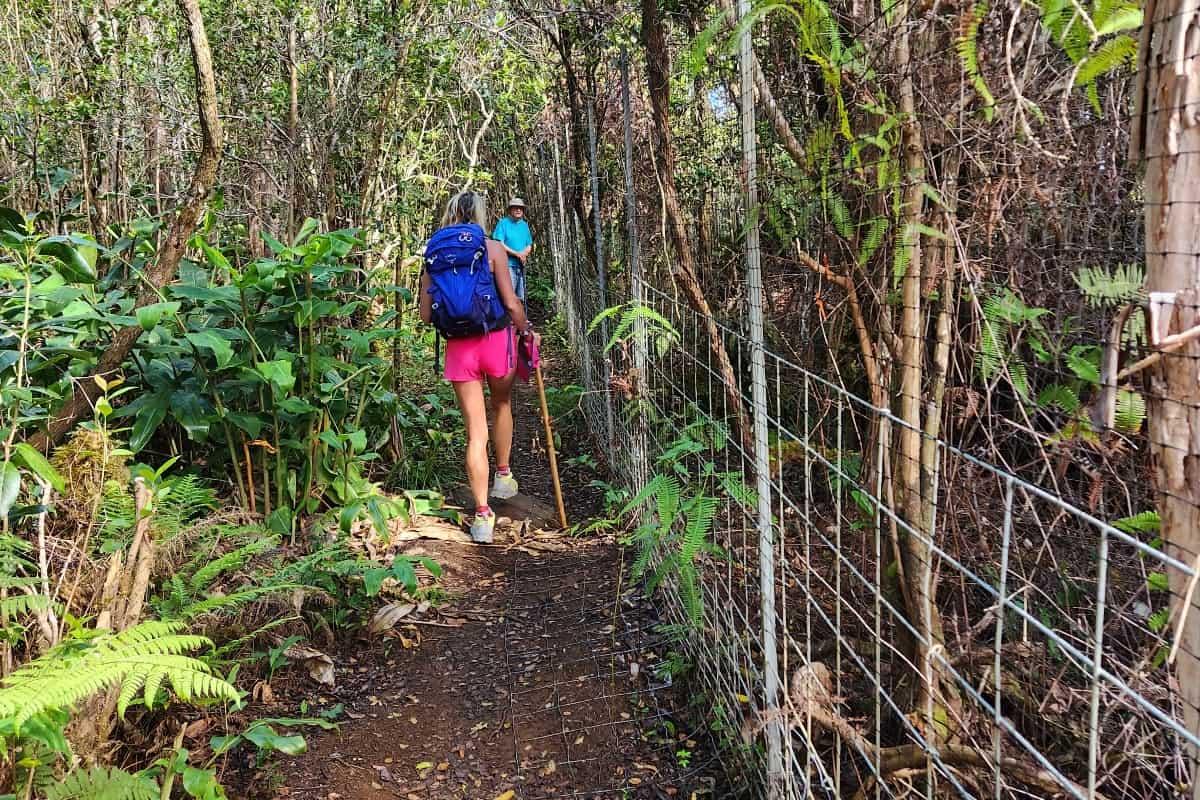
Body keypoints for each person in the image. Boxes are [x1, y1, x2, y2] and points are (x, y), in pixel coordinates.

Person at [419, 191, 537, 544]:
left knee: (475, 432)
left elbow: (426, 315)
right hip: (496, 342)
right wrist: (527, 331)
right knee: (501, 404)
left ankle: (483, 517)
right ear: (480, 216)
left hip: (459, 350)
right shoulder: (493, 248)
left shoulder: (434, 255)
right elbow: (512, 303)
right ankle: (503, 477)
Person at [491, 197, 533, 302]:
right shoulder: (503, 223)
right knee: (509, 297)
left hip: (520, 265)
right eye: (515, 208)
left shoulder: (524, 225)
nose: (518, 210)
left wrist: (523, 254)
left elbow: (529, 245)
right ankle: (507, 318)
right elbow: (499, 243)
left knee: (520, 298)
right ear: (510, 210)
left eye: (520, 208)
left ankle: (519, 318)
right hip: (507, 265)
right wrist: (517, 254)